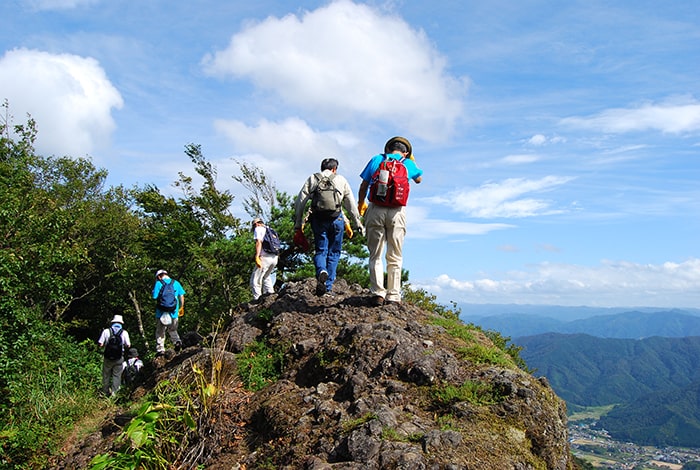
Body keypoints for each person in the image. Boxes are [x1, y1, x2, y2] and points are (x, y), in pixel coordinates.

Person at [357, 136, 423, 306]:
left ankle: (378, 293)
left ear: (387, 149)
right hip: (397, 212)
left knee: (375, 254)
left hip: (376, 209)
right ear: (406, 152)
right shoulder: (408, 164)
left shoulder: (377, 159)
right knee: (395, 255)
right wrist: (411, 160)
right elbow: (419, 179)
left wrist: (361, 204)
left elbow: (364, 185)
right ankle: (393, 295)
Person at [294, 158, 364, 295]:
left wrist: (298, 223)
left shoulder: (313, 179)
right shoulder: (341, 180)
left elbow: (300, 202)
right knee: (334, 253)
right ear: (334, 169)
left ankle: (321, 270)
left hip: (318, 220)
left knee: (321, 250)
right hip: (336, 219)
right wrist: (357, 224)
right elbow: (350, 204)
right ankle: (328, 287)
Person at [152, 269, 185, 356]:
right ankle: (177, 342)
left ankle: (160, 349)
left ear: (159, 276)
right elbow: (181, 296)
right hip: (174, 312)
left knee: (160, 332)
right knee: (173, 329)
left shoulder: (159, 283)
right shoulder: (176, 283)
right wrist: (181, 307)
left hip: (161, 312)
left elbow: (154, 296)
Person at [97, 314, 131, 397]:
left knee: (106, 375)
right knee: (117, 375)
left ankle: (105, 392)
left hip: (107, 357)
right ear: (121, 323)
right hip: (119, 357)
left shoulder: (106, 331)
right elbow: (128, 345)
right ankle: (114, 394)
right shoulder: (124, 332)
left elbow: (100, 344)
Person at [250, 218, 279, 301]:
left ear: (256, 224)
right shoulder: (270, 230)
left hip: (265, 257)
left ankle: (257, 300)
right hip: (274, 258)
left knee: (255, 280)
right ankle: (271, 295)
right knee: (266, 276)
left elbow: (259, 242)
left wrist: (257, 256)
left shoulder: (258, 229)